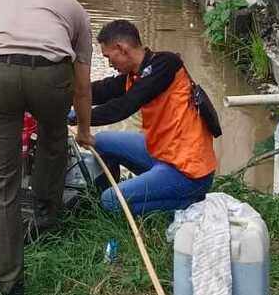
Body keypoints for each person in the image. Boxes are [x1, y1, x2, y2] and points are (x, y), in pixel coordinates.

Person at [0, 0, 94, 295]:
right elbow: (82, 85)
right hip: (51, 77)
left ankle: (10, 287)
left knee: (1, 182)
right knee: (53, 139)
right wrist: (83, 130)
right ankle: (46, 217)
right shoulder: (76, 11)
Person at [79, 19, 218, 216]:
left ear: (122, 48)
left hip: (188, 172)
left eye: (109, 57)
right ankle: (145, 189)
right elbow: (100, 90)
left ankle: (187, 201)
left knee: (110, 201)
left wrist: (78, 117)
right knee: (99, 141)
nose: (109, 64)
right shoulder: (135, 75)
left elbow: (124, 107)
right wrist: (62, 95)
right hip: (162, 154)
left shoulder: (166, 65)